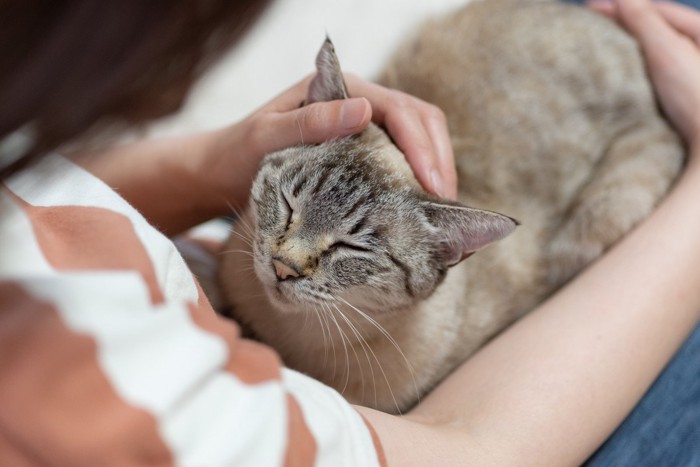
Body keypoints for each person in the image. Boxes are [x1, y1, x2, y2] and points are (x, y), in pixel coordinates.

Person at [0, 0, 698, 465]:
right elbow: (483, 449)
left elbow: (46, 189)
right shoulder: (125, 419)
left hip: (575, 100)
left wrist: (210, 159)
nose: (286, 258)